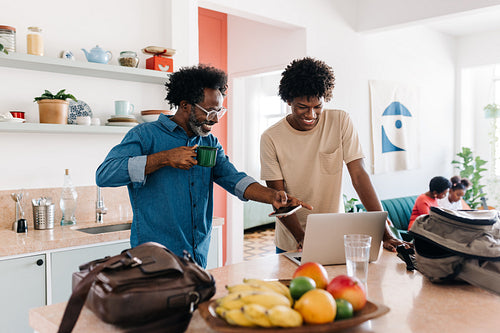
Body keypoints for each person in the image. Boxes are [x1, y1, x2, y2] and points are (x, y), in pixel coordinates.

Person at [96, 64, 311, 268]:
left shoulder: (209, 142)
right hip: (153, 259)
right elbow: (104, 174)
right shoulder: (145, 135)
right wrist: (164, 158)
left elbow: (234, 179)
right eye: (209, 111)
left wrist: (272, 197)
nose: (216, 119)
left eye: (219, 111)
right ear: (185, 105)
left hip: (198, 257)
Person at [260, 57, 407, 253]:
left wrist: (386, 234)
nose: (311, 115)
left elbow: (359, 176)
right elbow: (278, 197)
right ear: (288, 101)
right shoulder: (271, 137)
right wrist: (302, 238)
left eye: (317, 106)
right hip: (292, 241)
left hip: (334, 233)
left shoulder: (340, 121)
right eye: (302, 107)